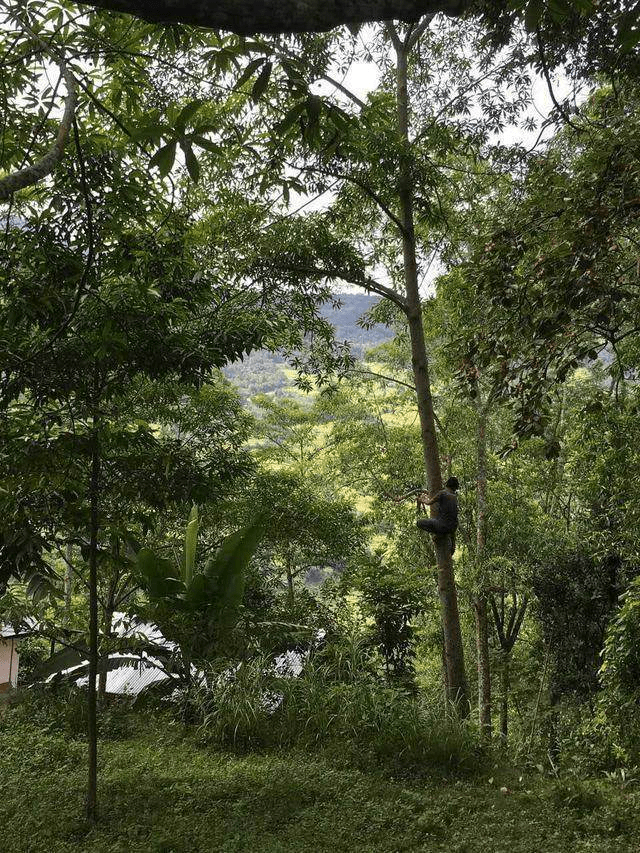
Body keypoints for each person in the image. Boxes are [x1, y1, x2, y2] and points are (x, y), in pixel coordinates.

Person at [416, 476, 459, 555]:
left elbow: (429, 502)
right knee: (450, 521)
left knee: (419, 523)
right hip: (452, 528)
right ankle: (452, 544)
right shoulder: (455, 497)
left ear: (447, 484)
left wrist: (421, 499)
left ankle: (439, 534)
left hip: (442, 526)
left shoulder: (442, 493)